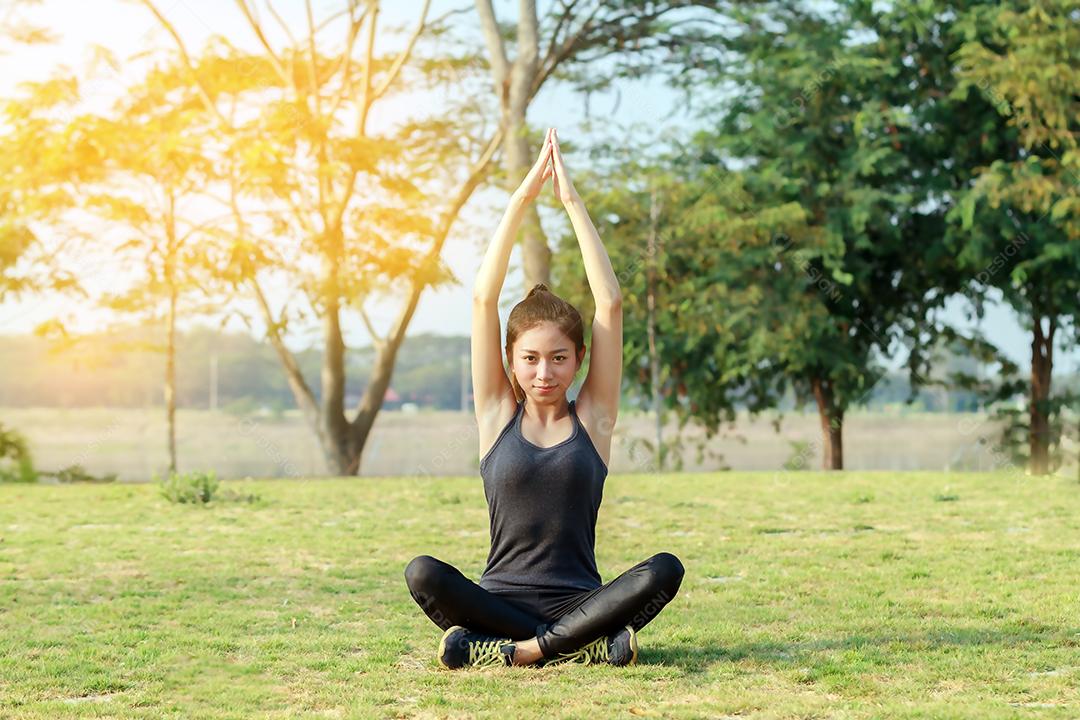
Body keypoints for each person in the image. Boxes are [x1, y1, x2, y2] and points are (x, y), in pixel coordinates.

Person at [404, 127, 684, 669]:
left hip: (582, 600)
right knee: (423, 572)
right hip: (498, 600)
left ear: (579, 359)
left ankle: (523, 651)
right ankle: (578, 646)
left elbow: (611, 302)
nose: (544, 372)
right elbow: (484, 299)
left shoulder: (594, 419)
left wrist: (572, 202)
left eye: (559, 358)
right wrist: (520, 201)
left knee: (665, 568)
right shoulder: (494, 415)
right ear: (511, 361)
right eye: (530, 359)